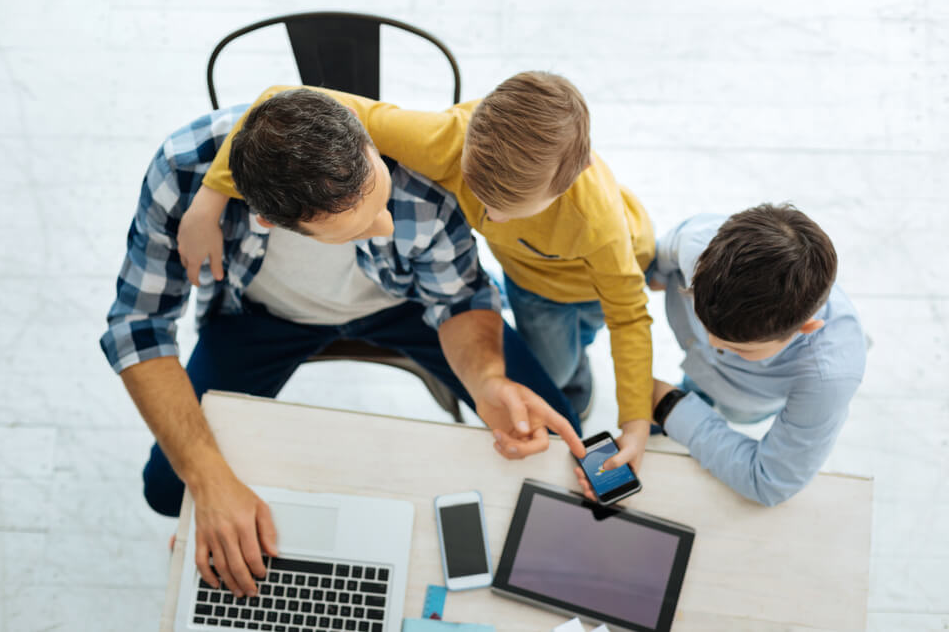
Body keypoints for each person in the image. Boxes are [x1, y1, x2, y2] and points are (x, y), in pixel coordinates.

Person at [100, 89, 585, 601]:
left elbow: (461, 295)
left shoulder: (425, 162)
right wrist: (209, 481)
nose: (389, 224)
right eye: (360, 227)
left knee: (555, 440)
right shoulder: (182, 172)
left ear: (358, 128)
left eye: (379, 196)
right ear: (267, 218)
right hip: (260, 317)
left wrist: (487, 378)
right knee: (169, 488)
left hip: (407, 304)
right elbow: (139, 326)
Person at [181, 72, 656, 473]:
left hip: (593, 283)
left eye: (508, 209)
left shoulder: (600, 226)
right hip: (523, 282)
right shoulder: (445, 138)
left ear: (572, 180)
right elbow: (280, 104)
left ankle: (579, 376)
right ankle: (572, 374)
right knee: (549, 360)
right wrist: (210, 197)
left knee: (571, 355)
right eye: (478, 193)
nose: (488, 216)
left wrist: (635, 424)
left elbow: (630, 317)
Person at [576, 204, 867, 506]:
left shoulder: (827, 380)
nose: (711, 343)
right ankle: (695, 395)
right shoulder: (696, 240)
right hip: (704, 382)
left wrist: (669, 405)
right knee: (694, 389)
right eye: (701, 320)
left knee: (734, 410)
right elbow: (665, 257)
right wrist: (656, 277)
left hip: (746, 398)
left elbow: (769, 482)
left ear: (806, 328)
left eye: (741, 349)